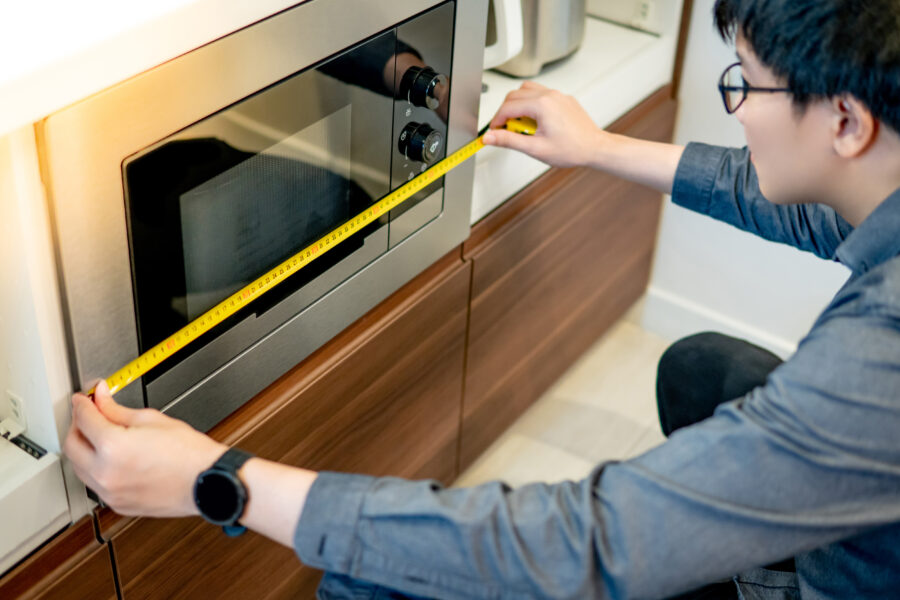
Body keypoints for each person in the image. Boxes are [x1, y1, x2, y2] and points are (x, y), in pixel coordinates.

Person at [65, 0, 900, 597]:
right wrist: (600, 147)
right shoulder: (881, 183)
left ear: (845, 122)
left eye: (745, 88)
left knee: (378, 580)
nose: (738, 114)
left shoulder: (878, 363)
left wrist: (219, 478)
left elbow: (591, 544)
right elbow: (790, 206)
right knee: (701, 368)